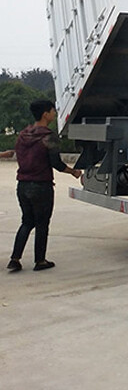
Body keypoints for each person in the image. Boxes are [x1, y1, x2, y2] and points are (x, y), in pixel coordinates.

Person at [6, 99, 80, 272]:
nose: (55, 113)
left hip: (22, 185)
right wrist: (74, 172)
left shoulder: (23, 135)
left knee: (26, 221)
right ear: (45, 114)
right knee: (42, 223)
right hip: (41, 186)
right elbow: (56, 163)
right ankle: (40, 261)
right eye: (53, 111)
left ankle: (15, 259)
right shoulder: (48, 136)